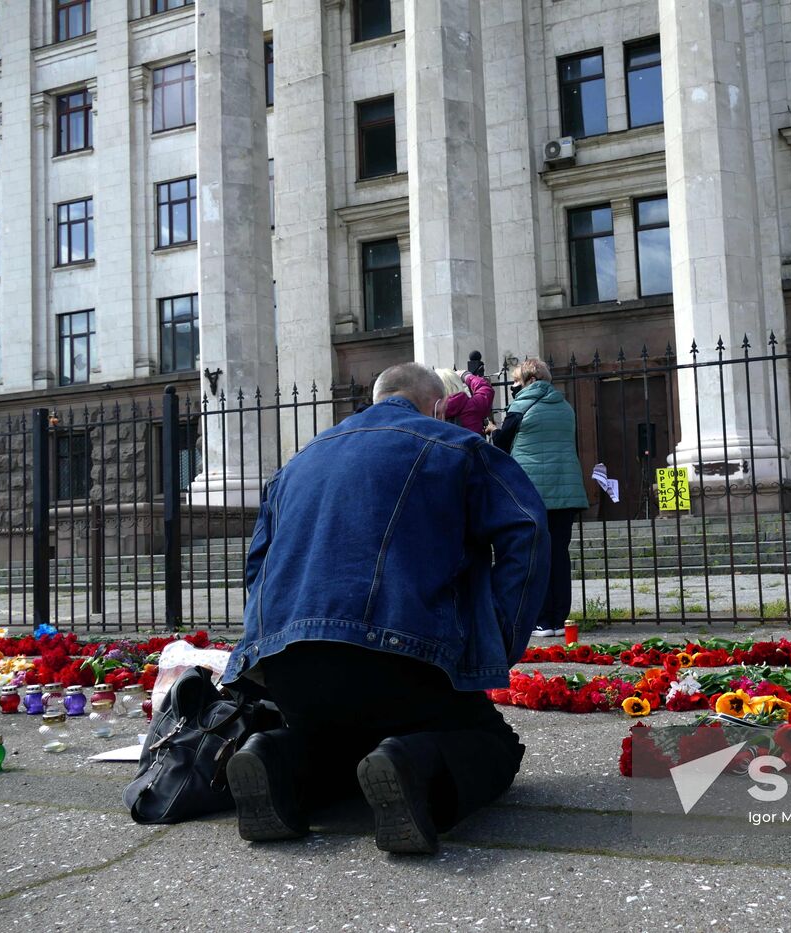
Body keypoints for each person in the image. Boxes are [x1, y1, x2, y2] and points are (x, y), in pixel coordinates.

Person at [221, 362, 549, 854]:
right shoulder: (457, 446)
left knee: (337, 741)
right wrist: (501, 637)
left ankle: (275, 756)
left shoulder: (297, 461)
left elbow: (256, 567)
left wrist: (265, 645)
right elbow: (528, 528)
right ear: (438, 406)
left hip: (290, 671)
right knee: (493, 746)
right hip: (404, 661)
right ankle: (416, 766)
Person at [487, 358, 589, 639]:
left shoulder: (520, 406)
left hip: (534, 493)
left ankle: (542, 619)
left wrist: (493, 430)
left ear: (529, 380)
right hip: (566, 492)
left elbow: (501, 444)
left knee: (537, 556)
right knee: (559, 554)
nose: (514, 388)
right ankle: (558, 619)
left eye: (516, 382)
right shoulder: (565, 408)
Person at [436, 363, 495, 435]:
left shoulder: (430, 412)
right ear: (457, 383)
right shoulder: (472, 406)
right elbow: (485, 389)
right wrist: (466, 376)